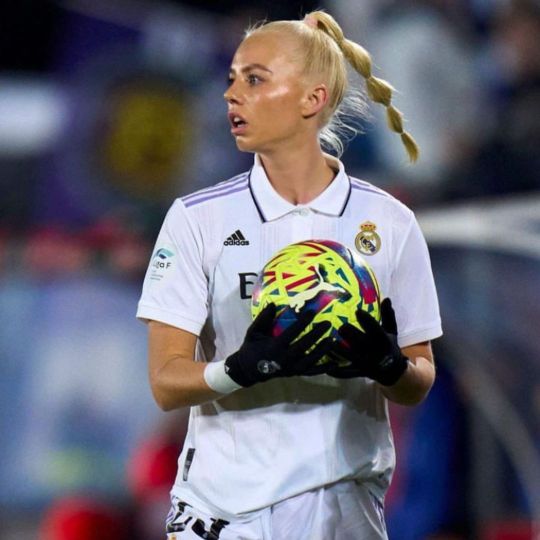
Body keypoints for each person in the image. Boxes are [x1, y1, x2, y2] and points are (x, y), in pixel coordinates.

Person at [137, 10, 442, 540]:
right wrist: (242, 368)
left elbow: (418, 381)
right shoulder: (197, 219)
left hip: (346, 509)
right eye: (232, 78)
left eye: (254, 80)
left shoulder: (389, 222)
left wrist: (387, 363)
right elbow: (165, 383)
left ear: (312, 99)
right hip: (224, 510)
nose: (231, 94)